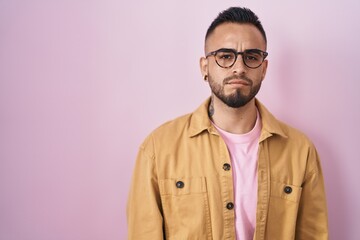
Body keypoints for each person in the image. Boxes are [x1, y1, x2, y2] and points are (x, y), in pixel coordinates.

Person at [127, 6, 328, 240]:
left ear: (263, 69)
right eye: (225, 56)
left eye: (251, 57)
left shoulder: (300, 151)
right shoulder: (158, 149)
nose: (239, 67)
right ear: (205, 66)